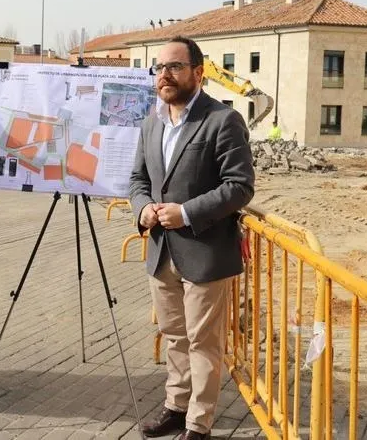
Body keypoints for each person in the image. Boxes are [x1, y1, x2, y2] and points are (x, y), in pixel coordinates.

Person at [130, 37, 255, 439]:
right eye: (159, 68)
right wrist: (143, 208)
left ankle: (198, 425)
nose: (164, 75)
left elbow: (240, 186)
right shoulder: (151, 123)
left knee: (203, 343)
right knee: (174, 338)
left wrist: (186, 212)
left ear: (198, 73)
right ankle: (175, 406)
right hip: (161, 252)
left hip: (205, 251)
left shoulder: (222, 120)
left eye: (175, 67)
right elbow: (138, 180)